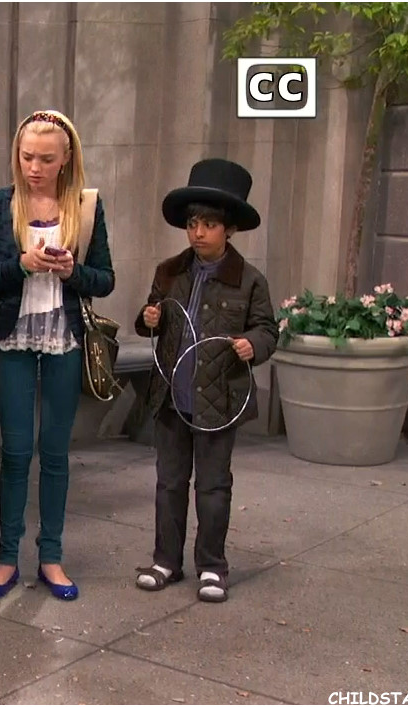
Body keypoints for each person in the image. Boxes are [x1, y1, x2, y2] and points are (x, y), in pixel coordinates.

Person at [0, 110, 115, 603]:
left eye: (46, 159)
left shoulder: (86, 206)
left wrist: (73, 270)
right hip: (12, 337)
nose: (34, 167)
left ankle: (51, 556)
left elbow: (105, 280)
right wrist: (22, 265)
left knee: (55, 453)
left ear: (66, 158)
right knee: (15, 453)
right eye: (27, 156)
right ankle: (6, 559)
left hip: (64, 339)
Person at [133, 158, 279, 603]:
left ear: (229, 229)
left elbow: (268, 330)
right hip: (172, 396)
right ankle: (166, 560)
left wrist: (253, 344)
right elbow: (150, 318)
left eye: (209, 225)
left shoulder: (249, 281)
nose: (198, 233)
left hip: (218, 399)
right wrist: (149, 318)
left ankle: (212, 566)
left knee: (213, 487)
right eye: (193, 224)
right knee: (169, 483)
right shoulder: (169, 271)